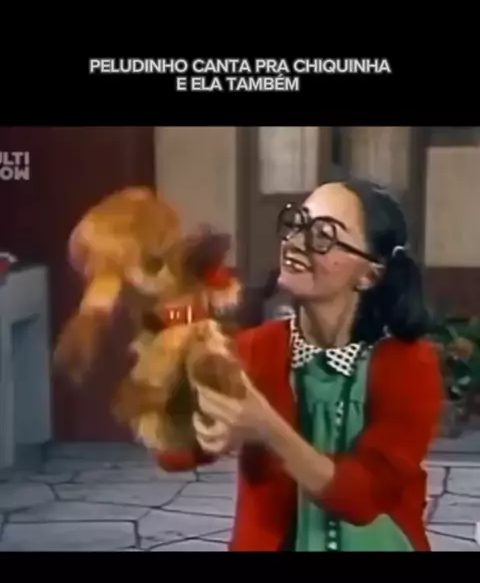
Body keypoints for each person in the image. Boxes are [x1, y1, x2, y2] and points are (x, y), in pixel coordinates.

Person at [157, 177, 444, 551]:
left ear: (369, 274)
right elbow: (174, 453)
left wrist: (266, 427)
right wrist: (190, 404)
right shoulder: (254, 349)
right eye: (297, 223)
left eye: (324, 235)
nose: (294, 242)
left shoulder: (409, 364)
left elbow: (363, 497)